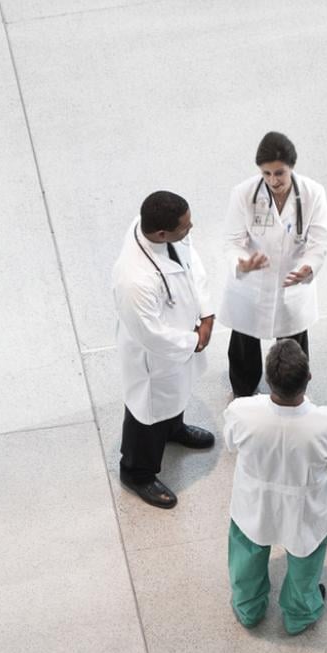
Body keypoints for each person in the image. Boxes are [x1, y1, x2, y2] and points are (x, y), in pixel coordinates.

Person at [223, 339, 327, 634]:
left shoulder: (241, 412)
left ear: (268, 380)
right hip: (305, 508)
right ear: (308, 378)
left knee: (247, 554)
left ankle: (249, 608)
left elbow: (231, 445)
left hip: (253, 504)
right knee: (305, 560)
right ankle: (299, 614)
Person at [113, 190, 217, 509]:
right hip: (154, 358)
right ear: (161, 233)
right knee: (148, 412)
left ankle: (173, 427)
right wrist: (195, 340)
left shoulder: (164, 234)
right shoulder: (135, 281)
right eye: (185, 226)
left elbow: (190, 263)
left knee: (175, 395)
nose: (191, 228)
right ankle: (137, 472)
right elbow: (151, 335)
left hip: (182, 337)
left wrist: (207, 313)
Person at [219, 131, 327, 397]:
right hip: (252, 282)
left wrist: (308, 266)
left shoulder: (313, 194)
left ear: (292, 167)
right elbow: (232, 240)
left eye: (279, 173)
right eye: (266, 174)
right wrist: (242, 263)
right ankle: (243, 395)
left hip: (292, 281)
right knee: (244, 344)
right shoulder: (244, 193)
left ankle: (291, 393)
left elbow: (320, 240)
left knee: (293, 345)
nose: (273, 181)